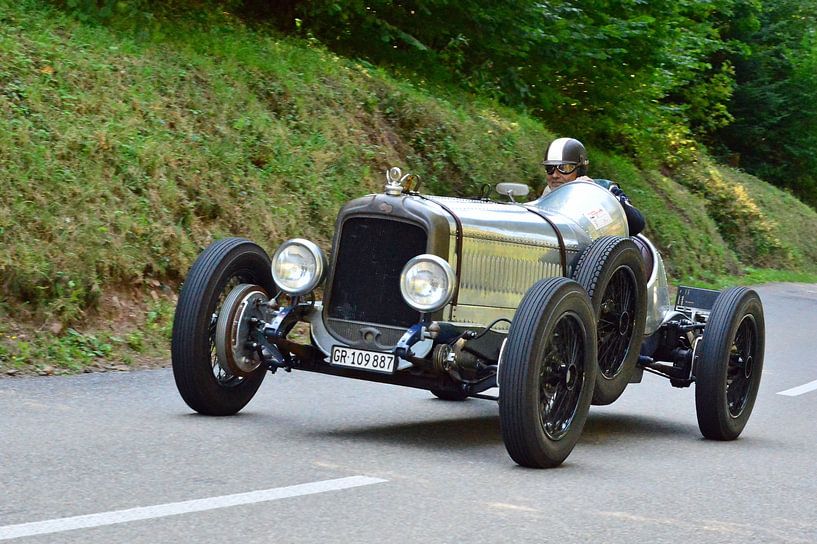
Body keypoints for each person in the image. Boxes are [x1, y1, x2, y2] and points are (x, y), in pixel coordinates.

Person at [541, 137, 645, 236]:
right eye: (549, 168)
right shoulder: (544, 198)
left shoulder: (604, 188)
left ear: (580, 170)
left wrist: (599, 195)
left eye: (564, 168)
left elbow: (637, 224)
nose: (554, 175)